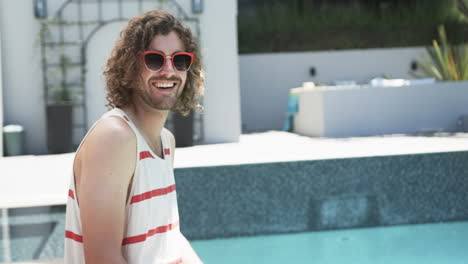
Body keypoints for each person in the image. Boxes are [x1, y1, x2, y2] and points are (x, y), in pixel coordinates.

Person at [64, 9, 204, 264]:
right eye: (154, 59)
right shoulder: (114, 138)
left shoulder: (166, 141)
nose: (168, 70)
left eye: (180, 60)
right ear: (130, 67)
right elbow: (103, 258)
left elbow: (167, 241)